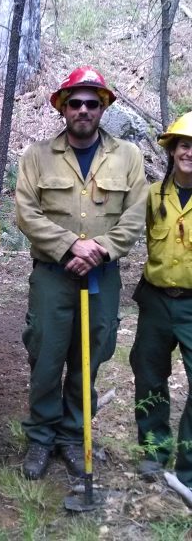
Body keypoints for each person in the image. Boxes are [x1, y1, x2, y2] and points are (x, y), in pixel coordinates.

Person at [15, 66, 147, 480]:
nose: (84, 110)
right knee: (47, 355)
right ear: (63, 108)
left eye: (93, 103)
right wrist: (72, 245)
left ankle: (73, 436)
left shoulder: (127, 156)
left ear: (103, 107)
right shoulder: (37, 156)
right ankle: (40, 438)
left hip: (102, 276)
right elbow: (26, 212)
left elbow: (135, 214)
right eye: (76, 103)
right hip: (53, 275)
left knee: (90, 356)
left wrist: (99, 250)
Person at [130, 112, 192, 486]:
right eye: (184, 146)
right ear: (172, 150)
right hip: (154, 300)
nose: (190, 153)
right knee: (149, 377)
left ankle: (188, 467)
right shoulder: (153, 196)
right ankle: (153, 452)